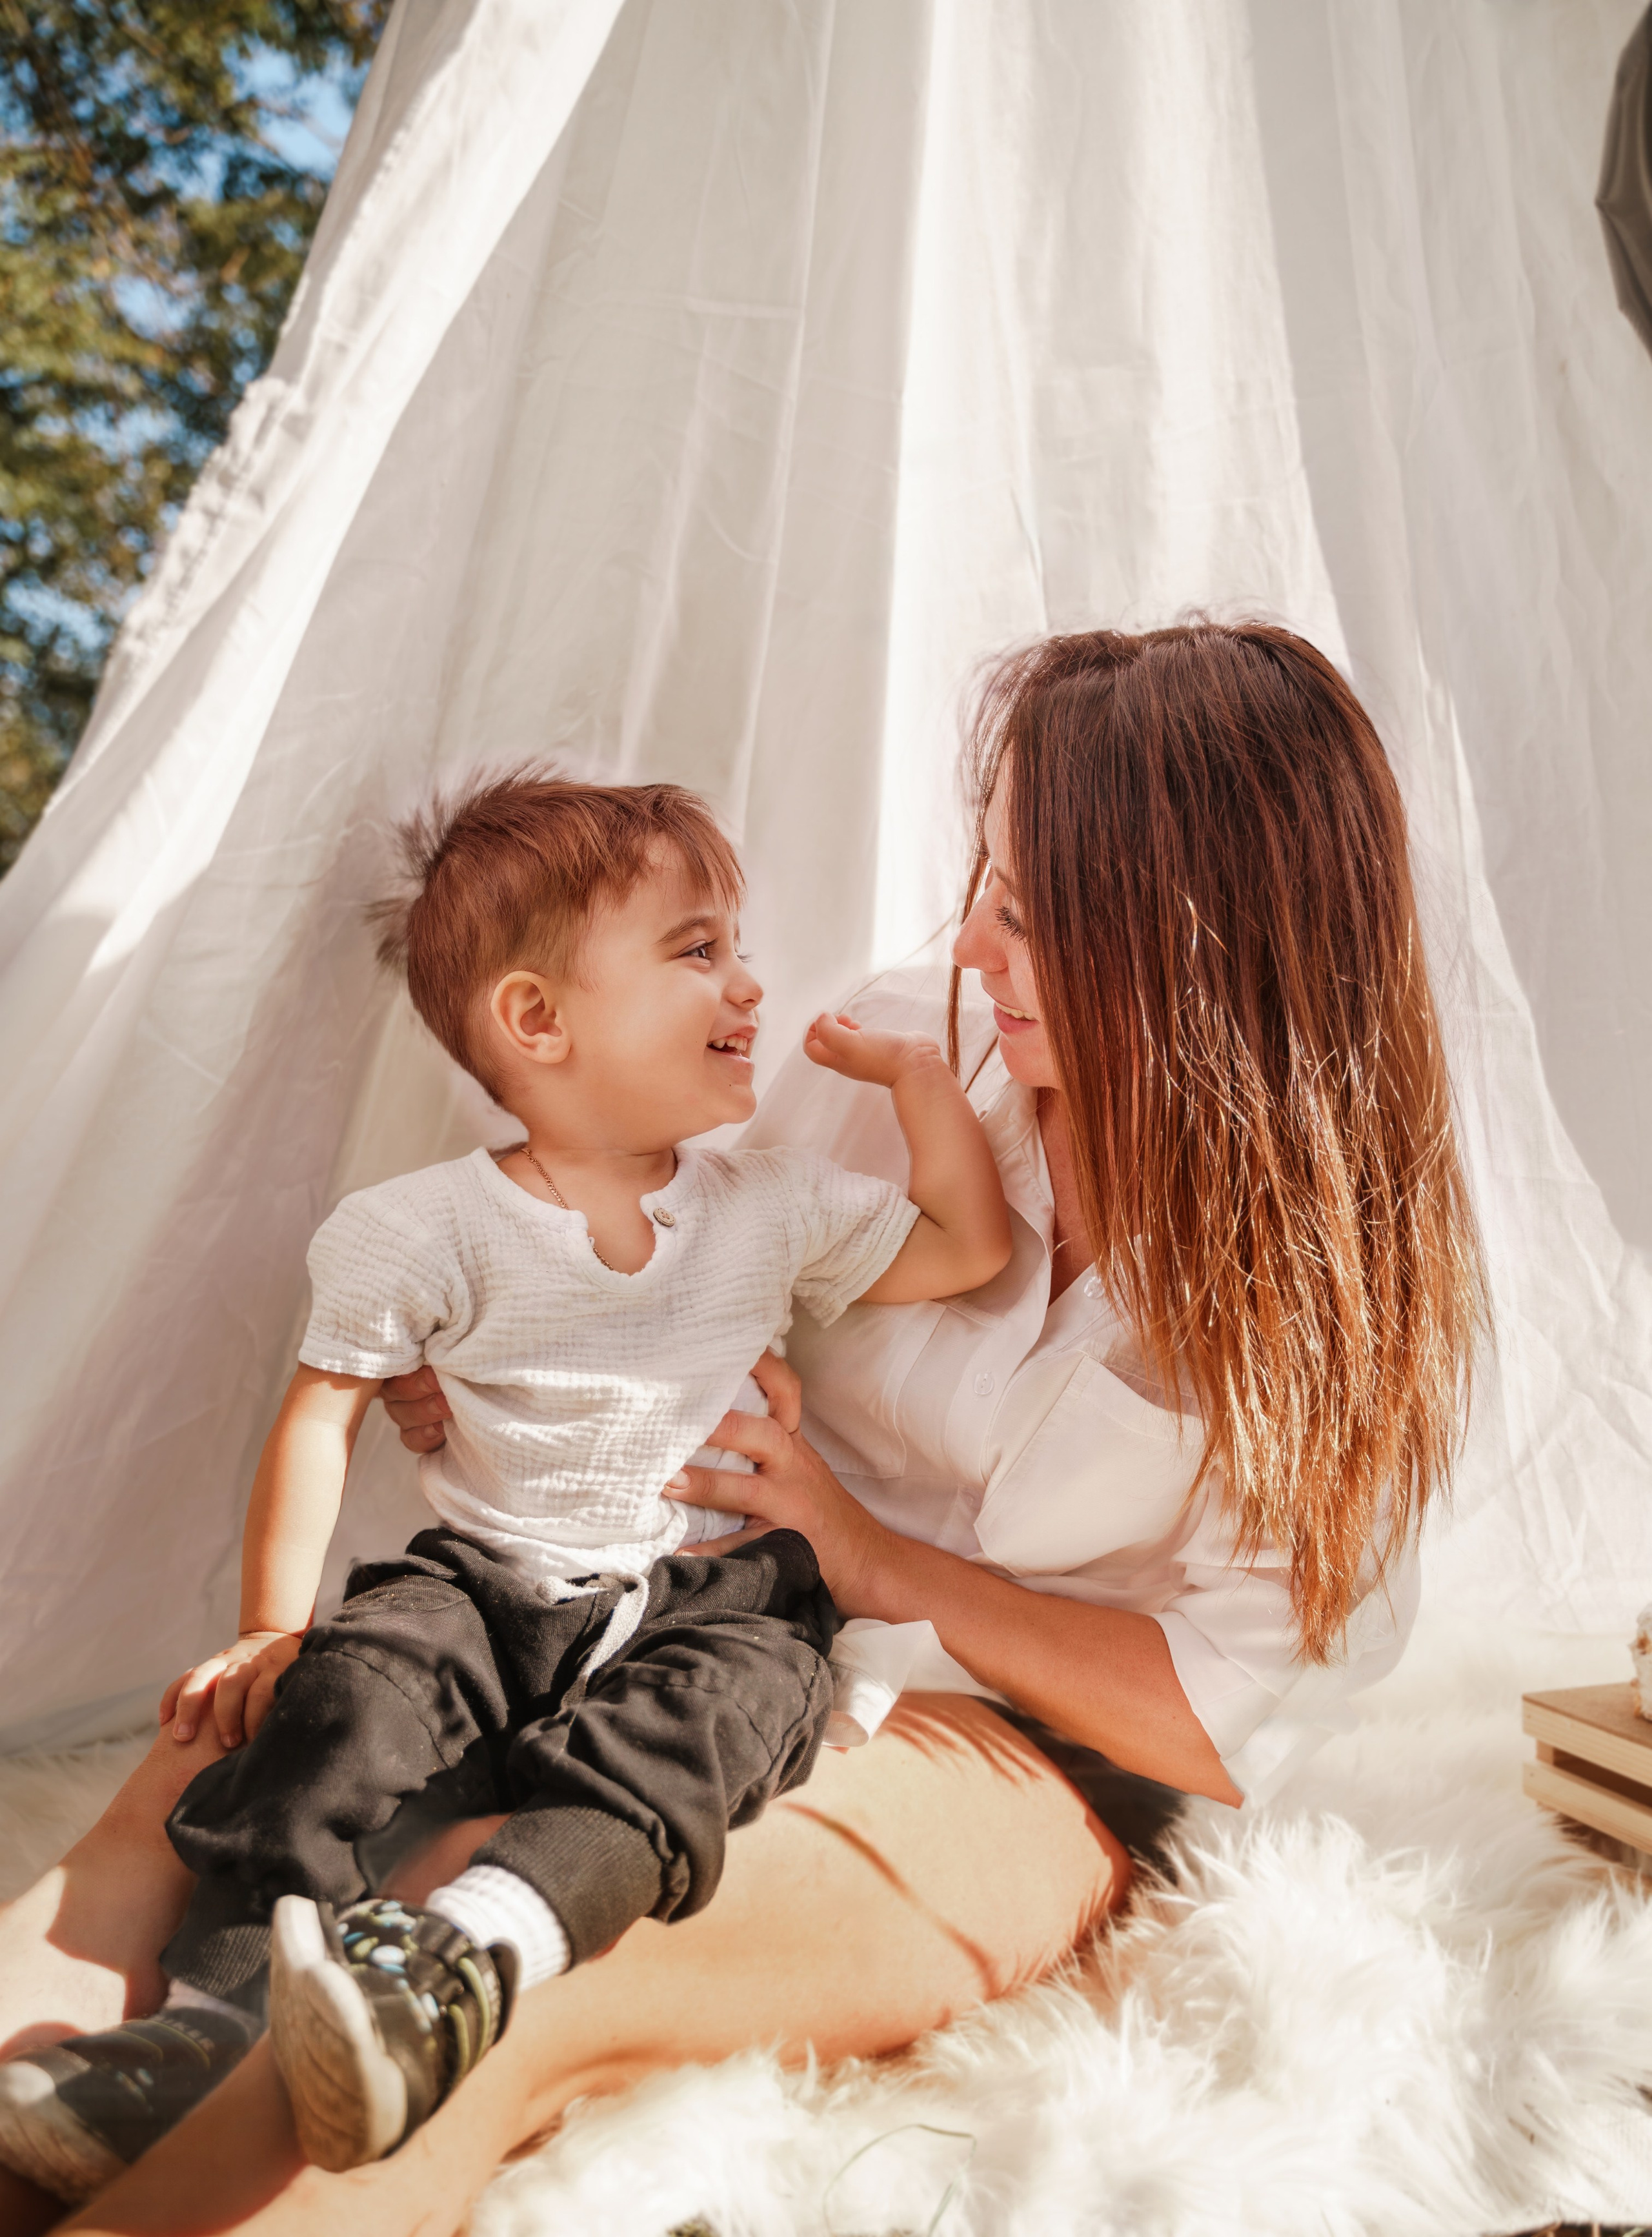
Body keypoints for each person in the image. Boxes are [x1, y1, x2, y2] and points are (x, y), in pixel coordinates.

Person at [0, 622, 1486, 2237]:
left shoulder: (1334, 1280)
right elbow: (685, 1248)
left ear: (1198, 944)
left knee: (486, 1952)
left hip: (1003, 1748)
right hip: (668, 1593)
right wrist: (500, 1345)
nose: (973, 943)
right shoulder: (908, 1042)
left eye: (1029, 911)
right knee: (233, 1761)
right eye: (984, 878)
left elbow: (1207, 1708)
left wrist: (881, 1561)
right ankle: (96, 2084)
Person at [0, 774, 1011, 2202]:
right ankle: (207, 2024)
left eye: (738, 945)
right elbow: (318, 1418)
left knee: (715, 1725)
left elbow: (967, 1246)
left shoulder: (769, 1202)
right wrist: (270, 1625)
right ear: (537, 1020)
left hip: (711, 1592)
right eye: (698, 948)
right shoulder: (417, 1228)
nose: (749, 980)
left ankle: (463, 1957)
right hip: (483, 1583)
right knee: (334, 1701)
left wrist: (917, 1082)